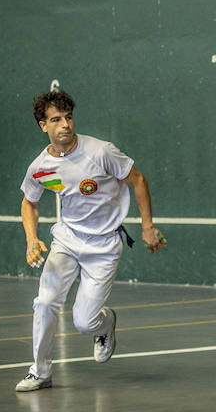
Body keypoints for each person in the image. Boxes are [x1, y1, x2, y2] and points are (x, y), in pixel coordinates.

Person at [16, 90, 163, 392]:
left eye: (68, 117)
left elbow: (137, 179)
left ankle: (105, 325)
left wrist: (147, 226)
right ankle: (40, 372)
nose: (65, 125)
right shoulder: (40, 167)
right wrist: (32, 239)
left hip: (104, 246)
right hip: (67, 241)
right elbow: (29, 202)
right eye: (55, 120)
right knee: (44, 302)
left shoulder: (101, 151)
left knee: (84, 321)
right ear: (43, 125)